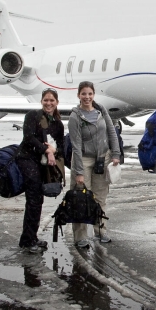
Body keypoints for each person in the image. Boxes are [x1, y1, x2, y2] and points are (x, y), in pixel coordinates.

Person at [68, 81, 121, 248]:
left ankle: (101, 230)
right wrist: (78, 171)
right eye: (83, 94)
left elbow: (111, 131)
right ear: (78, 95)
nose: (87, 97)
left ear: (93, 95)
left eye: (90, 94)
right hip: (83, 159)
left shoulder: (101, 110)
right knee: (81, 199)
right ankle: (80, 236)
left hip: (102, 158)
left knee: (100, 197)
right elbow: (75, 145)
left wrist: (115, 153)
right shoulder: (75, 116)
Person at [16, 88, 65, 252]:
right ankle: (27, 241)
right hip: (28, 159)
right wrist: (47, 151)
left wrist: (54, 151)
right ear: (41, 101)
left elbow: (61, 146)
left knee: (37, 201)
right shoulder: (32, 116)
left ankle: (31, 237)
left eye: (52, 100)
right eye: (46, 100)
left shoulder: (57, 123)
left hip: (42, 163)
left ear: (57, 102)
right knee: (34, 199)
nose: (49, 103)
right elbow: (29, 138)